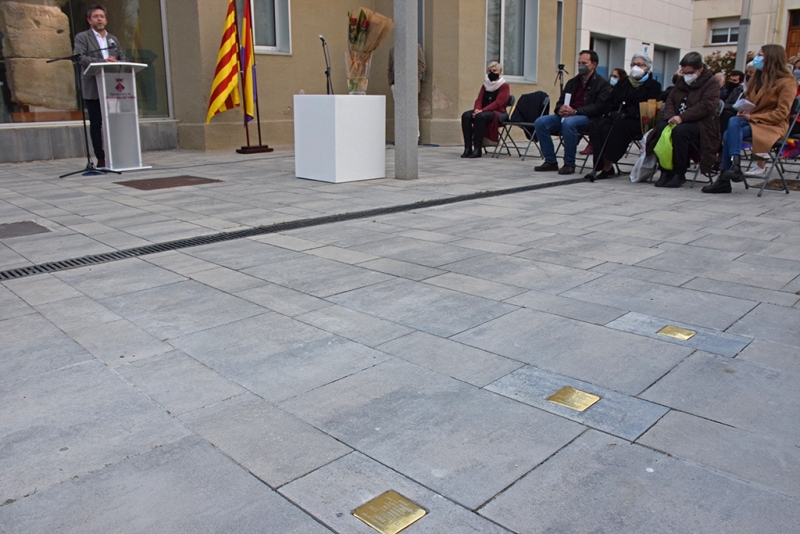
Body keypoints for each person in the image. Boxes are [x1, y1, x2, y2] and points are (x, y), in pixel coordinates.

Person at [703, 45, 796, 193]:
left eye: (761, 55)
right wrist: (744, 109)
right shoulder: (757, 79)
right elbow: (752, 102)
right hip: (750, 121)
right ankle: (735, 166)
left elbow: (782, 113)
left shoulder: (787, 82)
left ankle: (726, 176)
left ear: (771, 58)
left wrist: (753, 116)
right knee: (733, 121)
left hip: (771, 125)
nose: (756, 59)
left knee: (729, 134)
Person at [646, 52, 720, 188]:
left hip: (702, 124)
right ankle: (665, 170)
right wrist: (670, 117)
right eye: (683, 72)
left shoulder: (711, 83)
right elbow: (670, 100)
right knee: (661, 129)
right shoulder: (681, 81)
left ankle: (679, 172)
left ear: (700, 69)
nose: (686, 76)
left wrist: (682, 117)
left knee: (680, 132)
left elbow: (706, 105)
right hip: (676, 119)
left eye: (690, 72)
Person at [533, 50, 611, 174]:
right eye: (579, 63)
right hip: (567, 115)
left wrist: (575, 111)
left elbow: (599, 107)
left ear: (594, 64)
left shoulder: (603, 84)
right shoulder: (573, 82)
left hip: (588, 118)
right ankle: (550, 161)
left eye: (584, 63)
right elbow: (561, 100)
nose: (580, 66)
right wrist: (560, 109)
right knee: (541, 122)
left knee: (569, 123)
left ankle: (569, 163)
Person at [587, 53, 661, 180]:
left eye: (639, 65)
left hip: (638, 120)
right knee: (600, 126)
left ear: (647, 68)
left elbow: (649, 106)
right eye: (633, 64)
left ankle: (608, 164)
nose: (635, 67)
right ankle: (602, 166)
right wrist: (610, 112)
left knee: (619, 127)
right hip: (617, 115)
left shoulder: (653, 85)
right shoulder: (623, 83)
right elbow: (610, 101)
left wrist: (627, 113)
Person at [73, 5, 125, 169]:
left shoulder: (113, 39)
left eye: (102, 16)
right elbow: (80, 57)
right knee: (96, 123)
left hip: (112, 86)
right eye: (95, 16)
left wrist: (117, 62)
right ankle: (101, 157)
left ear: (106, 19)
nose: (99, 19)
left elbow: (122, 57)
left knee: (114, 121)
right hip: (93, 85)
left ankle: (116, 154)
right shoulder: (82, 37)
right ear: (89, 20)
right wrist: (103, 62)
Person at [460, 61, 510, 158]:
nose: (491, 73)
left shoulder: (504, 86)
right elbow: (479, 99)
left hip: (498, 112)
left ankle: (477, 149)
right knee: (466, 115)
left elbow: (498, 103)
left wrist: (482, 111)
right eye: (489, 71)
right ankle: (467, 148)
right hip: (483, 111)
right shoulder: (485, 85)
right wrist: (477, 109)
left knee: (480, 117)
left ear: (500, 72)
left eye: (494, 71)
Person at [388, 44, 427, 140]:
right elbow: (390, 67)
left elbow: (422, 65)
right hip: (396, 84)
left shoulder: (415, 46)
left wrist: (409, 74)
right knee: (399, 111)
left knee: (411, 110)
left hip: (410, 84)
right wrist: (390, 82)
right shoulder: (393, 49)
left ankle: (414, 137)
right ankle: (400, 137)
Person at [720, 64, 754, 137]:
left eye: (734, 80)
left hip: (744, 116)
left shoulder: (753, 91)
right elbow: (726, 103)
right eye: (730, 80)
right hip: (731, 111)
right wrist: (734, 106)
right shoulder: (737, 90)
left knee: (730, 120)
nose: (731, 82)